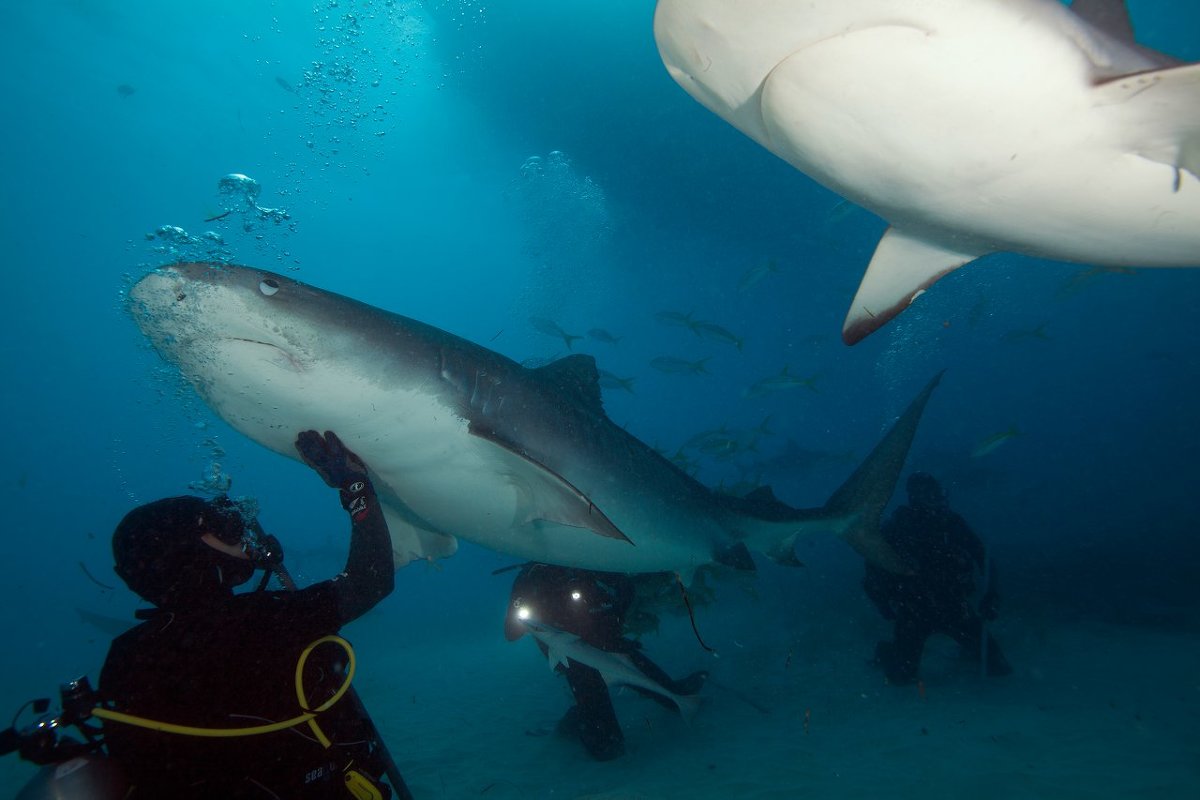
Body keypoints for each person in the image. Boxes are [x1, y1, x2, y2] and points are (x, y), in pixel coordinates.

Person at [98, 430, 406, 798]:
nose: (241, 535)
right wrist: (355, 485)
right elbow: (371, 580)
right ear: (187, 554)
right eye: (223, 528)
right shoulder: (262, 622)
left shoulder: (124, 658)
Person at [504, 563, 707, 761]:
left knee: (637, 669)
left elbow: (625, 587)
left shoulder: (585, 560)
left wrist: (614, 621)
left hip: (607, 641)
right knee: (606, 747)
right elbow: (511, 633)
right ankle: (579, 721)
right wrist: (522, 608)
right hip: (573, 657)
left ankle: (673, 694)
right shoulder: (531, 577)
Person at [863, 471, 1013, 686]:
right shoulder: (896, 528)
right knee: (901, 677)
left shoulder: (952, 523)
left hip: (954, 606)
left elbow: (984, 558)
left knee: (998, 667)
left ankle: (968, 651)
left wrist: (991, 594)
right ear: (914, 497)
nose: (935, 499)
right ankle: (888, 651)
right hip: (913, 610)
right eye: (927, 494)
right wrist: (884, 604)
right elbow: (873, 569)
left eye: (936, 493)